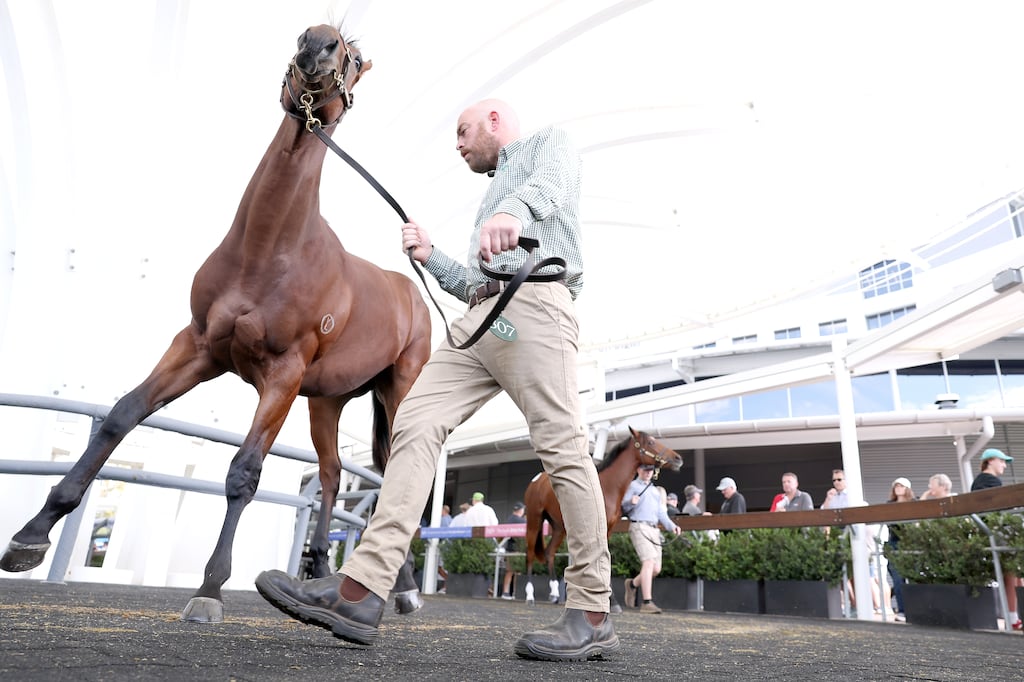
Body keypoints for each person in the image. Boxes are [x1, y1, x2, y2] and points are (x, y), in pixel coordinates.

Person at [255, 99, 618, 662]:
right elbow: (475, 284)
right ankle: (362, 589)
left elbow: (555, 183)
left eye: (464, 131)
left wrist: (515, 214)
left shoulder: (549, 145)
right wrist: (432, 257)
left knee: (563, 449)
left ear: (494, 121)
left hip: (537, 305)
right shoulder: (490, 197)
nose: (457, 143)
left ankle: (591, 610)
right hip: (482, 321)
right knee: (415, 423)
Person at [971, 448, 1022, 630]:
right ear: (991, 460)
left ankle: (1014, 617)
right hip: (998, 533)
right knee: (1012, 574)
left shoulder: (982, 481)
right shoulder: (989, 481)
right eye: (1002, 461)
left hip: (994, 533)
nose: (1004, 466)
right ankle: (1013, 618)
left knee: (1015, 575)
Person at [621, 463, 682, 613]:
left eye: (650, 470)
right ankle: (647, 602)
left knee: (656, 568)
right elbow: (623, 507)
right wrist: (630, 502)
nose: (648, 473)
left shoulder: (655, 491)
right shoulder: (632, 486)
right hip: (639, 526)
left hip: (654, 529)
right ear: (638, 470)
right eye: (645, 470)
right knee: (648, 562)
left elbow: (661, 513)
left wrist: (671, 526)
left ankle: (632, 585)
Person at [885, 477, 915, 621]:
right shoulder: (890, 505)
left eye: (901, 486)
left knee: (914, 576)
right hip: (894, 543)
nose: (898, 488)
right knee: (897, 579)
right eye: (896, 486)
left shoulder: (913, 504)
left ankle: (914, 609)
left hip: (911, 543)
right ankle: (902, 610)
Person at [500, 501, 527, 599]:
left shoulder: (509, 519)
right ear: (520, 510)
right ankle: (516, 593)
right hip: (518, 548)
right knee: (517, 572)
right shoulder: (522, 521)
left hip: (509, 548)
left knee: (509, 571)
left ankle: (505, 592)